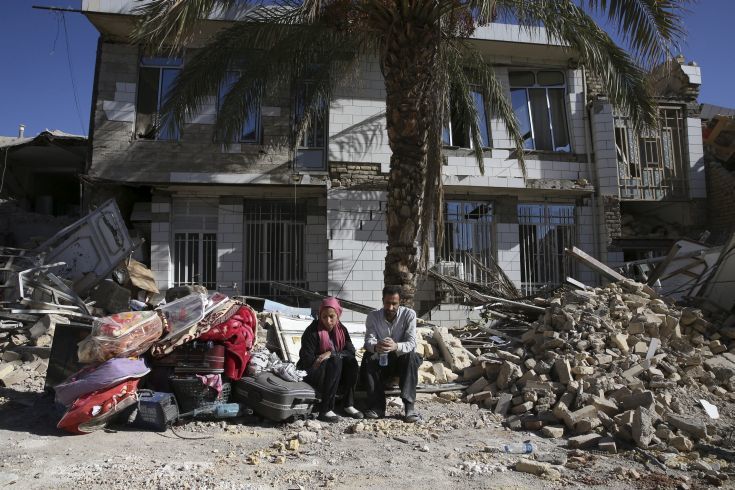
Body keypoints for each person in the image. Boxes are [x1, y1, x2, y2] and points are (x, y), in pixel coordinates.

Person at [361, 285, 421, 423]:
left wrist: (395, 346)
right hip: (382, 360)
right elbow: (368, 341)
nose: (390, 307)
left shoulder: (409, 315)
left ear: (400, 302)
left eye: (394, 303)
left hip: (401, 361)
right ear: (383, 301)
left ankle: (409, 407)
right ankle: (377, 407)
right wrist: (376, 346)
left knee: (411, 355)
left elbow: (411, 343)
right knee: (368, 357)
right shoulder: (373, 316)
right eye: (387, 303)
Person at [297, 297, 363, 422]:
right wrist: (328, 358)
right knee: (335, 361)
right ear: (319, 316)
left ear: (338, 315)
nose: (328, 321)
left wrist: (331, 353)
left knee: (351, 362)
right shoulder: (312, 332)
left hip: (335, 372)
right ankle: (325, 409)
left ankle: (348, 405)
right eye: (324, 316)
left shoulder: (342, 330)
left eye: (332, 316)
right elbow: (307, 360)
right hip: (313, 372)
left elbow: (351, 351)